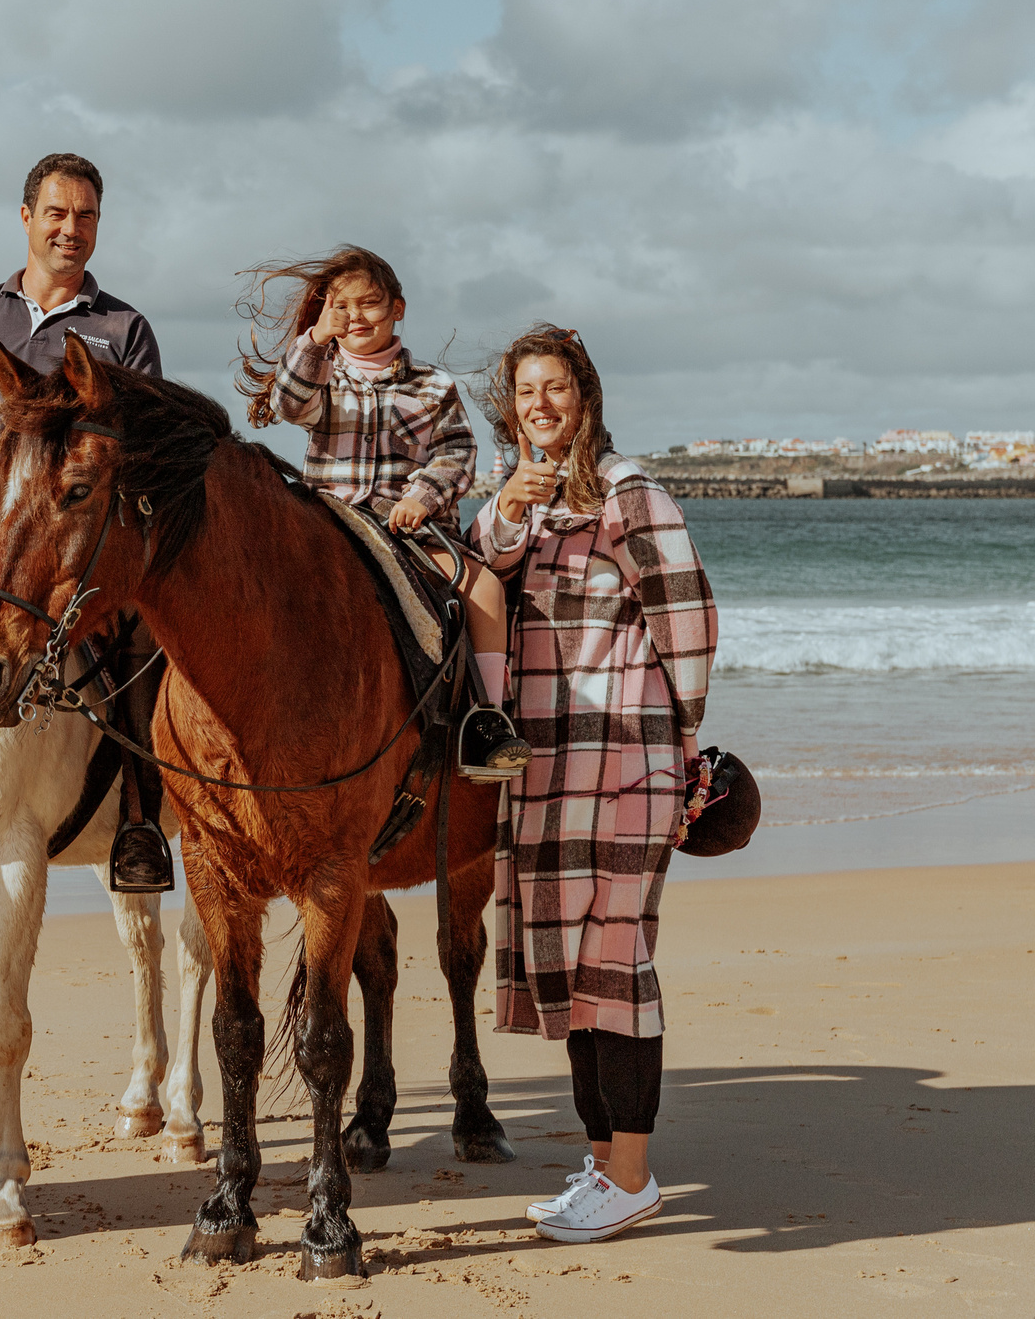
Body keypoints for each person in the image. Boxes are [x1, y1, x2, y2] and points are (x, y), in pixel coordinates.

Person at [470, 324, 718, 1246]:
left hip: (624, 762)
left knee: (616, 964)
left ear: (587, 397)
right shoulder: (522, 506)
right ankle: (605, 1159)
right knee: (569, 970)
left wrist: (680, 744)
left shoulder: (630, 491)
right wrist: (505, 504)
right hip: (544, 767)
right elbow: (476, 575)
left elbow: (688, 621)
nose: (540, 403)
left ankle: (633, 1173)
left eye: (555, 388)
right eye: (525, 391)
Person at [0, 151, 175, 896]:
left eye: (87, 215)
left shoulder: (124, 328)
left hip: (73, 540)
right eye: (58, 213)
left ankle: (137, 823)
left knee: (140, 633)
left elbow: (145, 453)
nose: (72, 229)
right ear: (27, 217)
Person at [235, 245, 530, 778]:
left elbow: (459, 452)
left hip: (408, 530)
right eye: (341, 308)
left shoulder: (434, 385)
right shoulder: (322, 377)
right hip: (334, 525)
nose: (355, 318)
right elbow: (286, 403)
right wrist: (315, 338)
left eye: (368, 304)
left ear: (398, 308)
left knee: (484, 589)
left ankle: (485, 721)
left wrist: (422, 498)